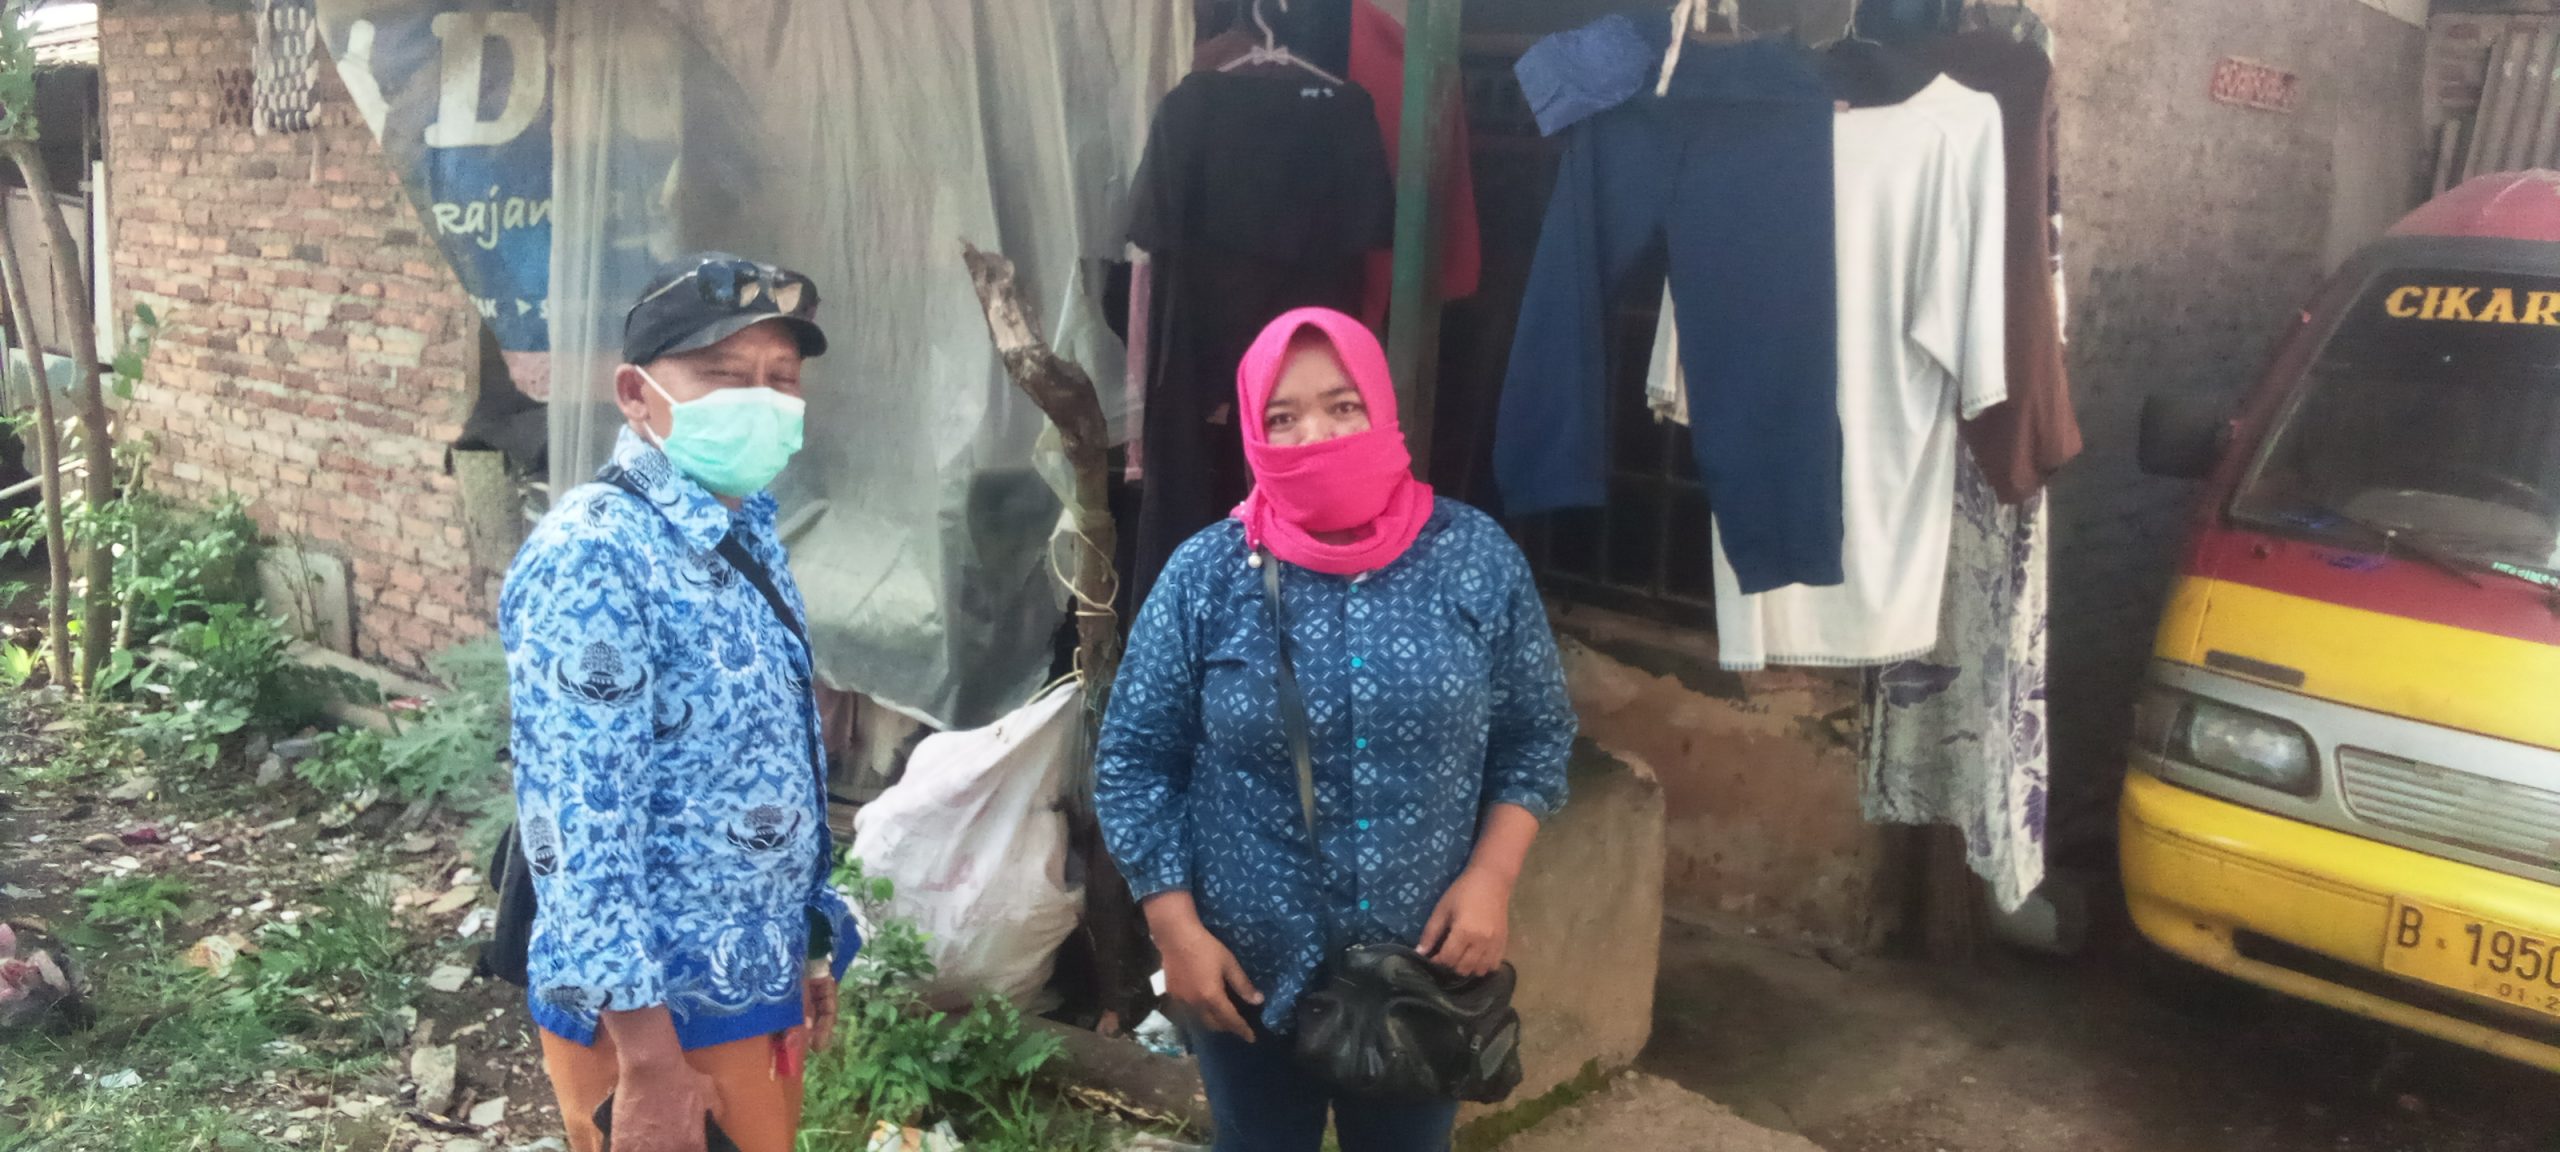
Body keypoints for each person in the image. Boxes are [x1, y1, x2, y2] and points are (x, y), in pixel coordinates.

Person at [1095, 307, 1577, 1152]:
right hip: (1241, 971)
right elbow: (1134, 759)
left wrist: (1492, 878)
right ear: (1252, 431)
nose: (1313, 435)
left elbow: (1535, 734)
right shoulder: (1207, 575)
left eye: (1342, 406)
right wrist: (1175, 932)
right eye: (1282, 417)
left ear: (1383, 410)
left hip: (1420, 973)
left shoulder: (1473, 558)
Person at [500, 253, 858, 1152]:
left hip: (747, 994)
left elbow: (752, 769)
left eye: (781, 379)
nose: (760, 401)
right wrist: (649, 1060)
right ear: (636, 394)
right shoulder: (596, 555)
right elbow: (580, 823)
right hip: (659, 1025)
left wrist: (805, 945)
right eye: (723, 375)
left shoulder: (741, 527)